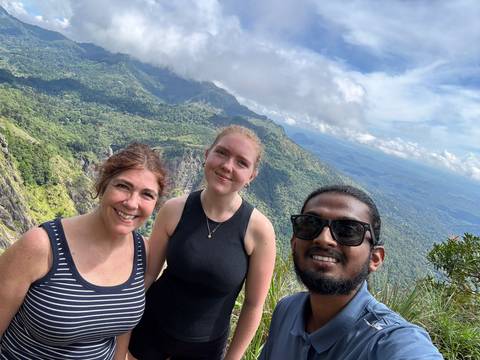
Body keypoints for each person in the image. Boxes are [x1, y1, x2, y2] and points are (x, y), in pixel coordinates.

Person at [0, 143, 166, 360]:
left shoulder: (143, 252)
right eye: (123, 186)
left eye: (147, 194)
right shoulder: (42, 246)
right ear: (104, 184)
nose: (132, 203)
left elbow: (122, 330)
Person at [127, 125, 276, 360]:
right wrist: (120, 324)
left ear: (251, 176)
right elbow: (148, 275)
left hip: (206, 347)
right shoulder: (174, 209)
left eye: (241, 162)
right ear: (207, 154)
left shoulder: (259, 231)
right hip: (150, 329)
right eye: (222, 153)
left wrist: (233, 357)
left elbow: (253, 305)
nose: (227, 166)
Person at [259, 185, 443, 360]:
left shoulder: (387, 341)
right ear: (294, 243)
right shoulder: (287, 310)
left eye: (347, 230)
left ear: (375, 258)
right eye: (310, 223)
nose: (323, 239)